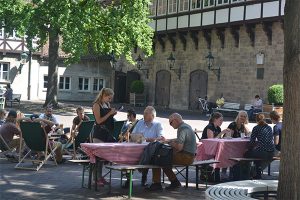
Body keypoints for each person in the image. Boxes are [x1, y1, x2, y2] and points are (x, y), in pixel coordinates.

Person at [147, 113, 196, 191]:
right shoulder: (186, 126)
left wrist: (169, 142)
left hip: (186, 157)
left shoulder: (182, 129)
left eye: (171, 123)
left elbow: (179, 147)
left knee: (157, 157)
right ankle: (174, 182)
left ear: (176, 120)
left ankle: (157, 184)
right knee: (164, 159)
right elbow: (179, 139)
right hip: (190, 156)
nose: (170, 125)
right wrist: (167, 140)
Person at [131, 106, 164, 186]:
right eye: (144, 113)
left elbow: (161, 138)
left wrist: (147, 139)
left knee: (148, 154)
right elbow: (133, 134)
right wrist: (135, 137)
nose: (143, 115)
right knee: (129, 156)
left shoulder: (157, 124)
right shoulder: (140, 122)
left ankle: (144, 175)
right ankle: (129, 180)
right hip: (137, 148)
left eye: (146, 113)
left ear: (152, 116)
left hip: (150, 149)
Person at [92, 87, 117, 187]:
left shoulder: (107, 104)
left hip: (106, 133)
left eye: (111, 99)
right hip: (99, 134)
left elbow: (107, 118)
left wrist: (112, 114)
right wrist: (110, 113)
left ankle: (100, 177)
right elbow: (98, 121)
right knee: (97, 157)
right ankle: (95, 179)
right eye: (109, 98)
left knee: (102, 158)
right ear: (103, 96)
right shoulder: (96, 105)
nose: (110, 100)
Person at [244, 114, 275, 179]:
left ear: (256, 120)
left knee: (246, 154)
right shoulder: (269, 127)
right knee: (256, 153)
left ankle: (247, 173)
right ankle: (257, 174)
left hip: (263, 152)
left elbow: (252, 142)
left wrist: (248, 149)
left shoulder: (256, 128)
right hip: (271, 152)